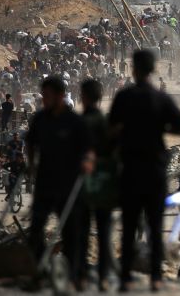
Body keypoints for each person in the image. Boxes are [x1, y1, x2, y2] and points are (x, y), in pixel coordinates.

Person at [110, 50, 180, 292]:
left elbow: (111, 129)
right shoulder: (160, 99)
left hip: (130, 168)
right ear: (154, 69)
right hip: (154, 169)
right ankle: (156, 277)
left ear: (133, 69)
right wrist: (157, 127)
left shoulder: (124, 97)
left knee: (130, 223)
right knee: (155, 227)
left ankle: (125, 277)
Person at [26, 76, 93, 290]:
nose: (44, 100)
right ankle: (39, 271)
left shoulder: (75, 122)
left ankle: (75, 275)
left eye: (47, 96)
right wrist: (31, 164)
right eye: (43, 95)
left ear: (61, 96)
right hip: (45, 183)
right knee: (35, 229)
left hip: (69, 185)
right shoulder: (40, 119)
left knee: (71, 233)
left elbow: (89, 150)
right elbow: (30, 143)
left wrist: (87, 162)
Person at [79, 79, 117, 291]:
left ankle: (82, 274)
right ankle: (103, 275)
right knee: (104, 231)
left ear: (83, 96)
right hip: (104, 185)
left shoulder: (78, 122)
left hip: (83, 185)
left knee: (82, 230)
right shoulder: (106, 122)